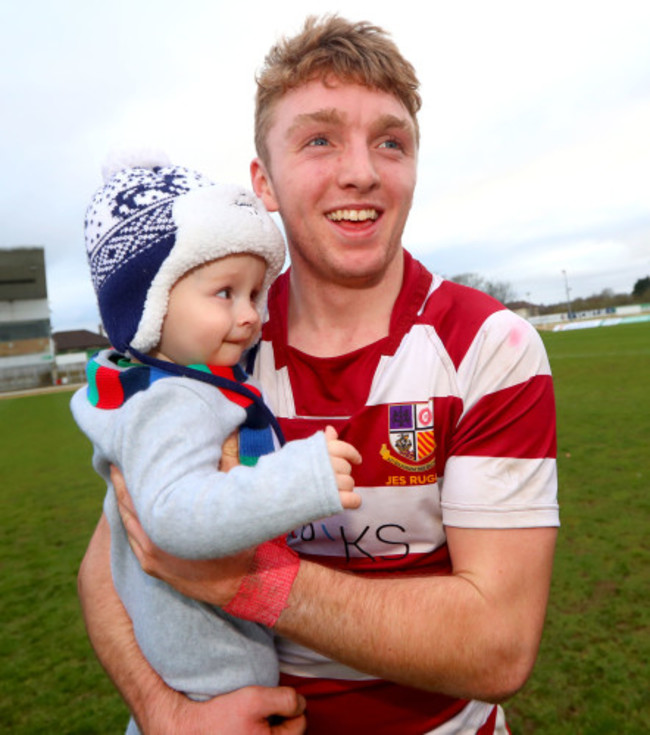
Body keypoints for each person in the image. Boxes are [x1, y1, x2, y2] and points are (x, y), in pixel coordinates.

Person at [78, 15, 559, 735]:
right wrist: (164, 711)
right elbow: (115, 552)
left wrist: (246, 578)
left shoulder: (489, 346)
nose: (361, 170)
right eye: (319, 139)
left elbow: (497, 645)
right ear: (262, 183)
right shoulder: (216, 344)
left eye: (390, 141)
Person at [71, 152, 362, 735]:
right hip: (210, 681)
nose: (251, 315)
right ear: (150, 306)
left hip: (203, 674)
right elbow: (175, 518)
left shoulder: (176, 383)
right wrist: (301, 478)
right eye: (225, 293)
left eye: (255, 294)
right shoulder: (171, 404)